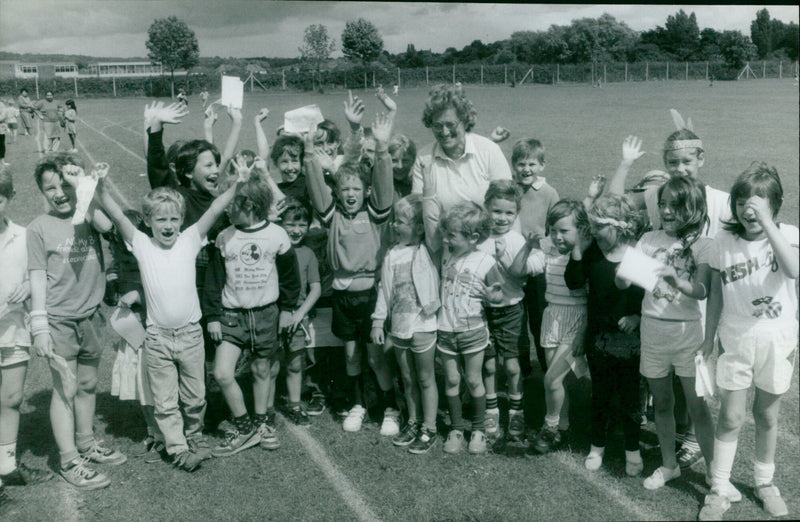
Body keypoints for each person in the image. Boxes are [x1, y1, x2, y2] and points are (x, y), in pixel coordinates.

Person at [95, 157, 249, 472]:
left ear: (181, 220)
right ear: (148, 221)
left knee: (195, 398)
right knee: (165, 401)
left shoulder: (190, 239)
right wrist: (101, 184)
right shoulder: (140, 243)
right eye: (161, 219)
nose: (168, 226)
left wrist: (240, 182)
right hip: (157, 339)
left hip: (192, 335)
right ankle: (178, 449)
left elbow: (216, 208)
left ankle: (196, 438)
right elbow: (113, 212)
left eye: (174, 219)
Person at [608, 127, 732, 470]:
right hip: (658, 321)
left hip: (698, 315)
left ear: (700, 159)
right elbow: (615, 206)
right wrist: (625, 163)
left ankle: (704, 459)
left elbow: (712, 278)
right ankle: (672, 454)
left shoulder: (721, 202)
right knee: (667, 394)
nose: (679, 167)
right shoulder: (654, 217)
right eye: (672, 161)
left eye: (686, 160)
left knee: (696, 397)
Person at [698, 164, 798, 521]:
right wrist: (708, 338)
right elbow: (716, 296)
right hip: (736, 336)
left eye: (758, 203)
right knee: (730, 415)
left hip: (777, 337)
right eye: (741, 202)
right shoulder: (721, 241)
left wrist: (769, 224)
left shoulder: (788, 235)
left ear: (776, 204)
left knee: (767, 415)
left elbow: (793, 269)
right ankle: (719, 488)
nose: (748, 210)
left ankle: (764, 482)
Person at [27, 155, 125, 490]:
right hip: (60, 321)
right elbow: (38, 278)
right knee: (65, 389)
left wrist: (83, 181)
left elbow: (109, 225)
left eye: (63, 184)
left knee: (86, 384)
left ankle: (86, 443)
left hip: (92, 315)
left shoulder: (86, 214)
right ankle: (69, 459)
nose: (58, 193)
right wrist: (40, 325)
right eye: (49, 187)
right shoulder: (38, 228)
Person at [305, 96, 398, 435]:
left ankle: (390, 407)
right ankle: (358, 404)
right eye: (344, 188)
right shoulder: (331, 216)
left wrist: (383, 149)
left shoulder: (374, 214)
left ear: (365, 190)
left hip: (370, 297)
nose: (349, 193)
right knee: (351, 356)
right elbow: (316, 189)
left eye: (356, 187)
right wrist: (307, 154)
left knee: (376, 356)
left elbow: (384, 185)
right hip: (344, 297)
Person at [622, 177, 716, 491]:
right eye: (662, 205)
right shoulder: (648, 238)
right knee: (661, 402)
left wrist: (674, 278)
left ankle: (717, 474)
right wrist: (624, 272)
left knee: (697, 406)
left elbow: (701, 290)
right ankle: (669, 464)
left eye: (674, 206)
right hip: (652, 332)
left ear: (692, 208)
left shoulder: (705, 245)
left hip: (687, 335)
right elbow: (625, 283)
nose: (666, 211)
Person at [204, 162, 301, 456]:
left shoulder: (277, 236)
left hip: (266, 314)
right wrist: (212, 316)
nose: (227, 210)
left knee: (262, 370)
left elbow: (290, 278)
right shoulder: (224, 238)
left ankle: (263, 425)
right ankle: (244, 427)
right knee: (222, 373)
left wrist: (287, 310)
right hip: (232, 316)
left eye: (233, 205)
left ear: (252, 206)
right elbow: (214, 280)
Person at [564, 194, 645, 476]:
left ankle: (632, 449)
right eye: (592, 226)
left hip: (630, 342)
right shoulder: (593, 252)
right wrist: (578, 250)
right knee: (600, 394)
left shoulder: (638, 253)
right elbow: (573, 282)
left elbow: (651, 296)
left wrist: (638, 317)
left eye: (600, 227)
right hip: (598, 339)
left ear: (620, 226)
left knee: (630, 397)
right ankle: (597, 445)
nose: (594, 232)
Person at [422, 192, 503, 455]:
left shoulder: (486, 261)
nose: (446, 239)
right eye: (446, 234)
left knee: (473, 379)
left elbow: (498, 293)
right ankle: (457, 429)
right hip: (446, 330)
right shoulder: (447, 254)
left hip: (473, 332)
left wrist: (493, 295)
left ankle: (478, 430)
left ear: (473, 238)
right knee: (452, 379)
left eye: (452, 235)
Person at [509, 200, 591, 454]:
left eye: (564, 231)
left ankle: (550, 426)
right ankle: (563, 428)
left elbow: (592, 300)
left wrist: (582, 333)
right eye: (553, 230)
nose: (557, 236)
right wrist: (528, 246)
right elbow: (516, 271)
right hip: (552, 317)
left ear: (580, 231)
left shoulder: (584, 257)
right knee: (556, 383)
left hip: (576, 318)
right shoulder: (547, 254)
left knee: (551, 379)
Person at [371, 194, 440, 454]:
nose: (394, 226)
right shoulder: (392, 255)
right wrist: (378, 320)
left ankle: (430, 427)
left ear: (419, 227)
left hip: (423, 324)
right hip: (399, 327)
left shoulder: (428, 249)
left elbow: (433, 219)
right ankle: (413, 421)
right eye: (394, 221)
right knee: (408, 378)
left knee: (425, 377)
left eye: (401, 222)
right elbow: (384, 291)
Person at [0, 167, 54, 488]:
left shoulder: (24, 236)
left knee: (11, 397)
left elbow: (42, 274)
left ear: (9, 198)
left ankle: (6, 467)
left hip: (14, 331)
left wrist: (28, 286)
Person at [477, 180, 544, 440]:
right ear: (486, 208)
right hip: (482, 311)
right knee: (489, 364)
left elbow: (534, 264)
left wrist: (510, 258)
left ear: (516, 214)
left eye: (508, 213)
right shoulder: (478, 238)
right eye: (496, 211)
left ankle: (516, 412)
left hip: (511, 310)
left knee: (513, 365)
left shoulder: (517, 240)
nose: (502, 218)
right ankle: (492, 409)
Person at [411, 83, 511, 212]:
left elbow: (508, 203)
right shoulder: (424, 157)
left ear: (465, 121)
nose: (445, 132)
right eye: (437, 125)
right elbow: (418, 208)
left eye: (450, 124)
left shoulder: (489, 150)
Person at [511, 138, 560, 375]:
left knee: (540, 318)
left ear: (542, 165)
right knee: (516, 319)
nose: (526, 170)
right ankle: (522, 367)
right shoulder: (509, 190)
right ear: (513, 165)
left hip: (539, 267)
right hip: (512, 265)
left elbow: (557, 228)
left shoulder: (549, 193)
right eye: (521, 164)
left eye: (532, 164)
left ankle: (546, 365)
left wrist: (544, 247)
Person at [279, 201, 323, 416]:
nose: (296, 230)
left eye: (302, 225)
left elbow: (315, 288)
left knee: (295, 363)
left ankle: (295, 404)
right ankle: (265, 409)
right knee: (268, 364)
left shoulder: (308, 253)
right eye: (290, 224)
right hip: (273, 314)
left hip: (297, 316)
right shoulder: (273, 248)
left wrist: (300, 314)